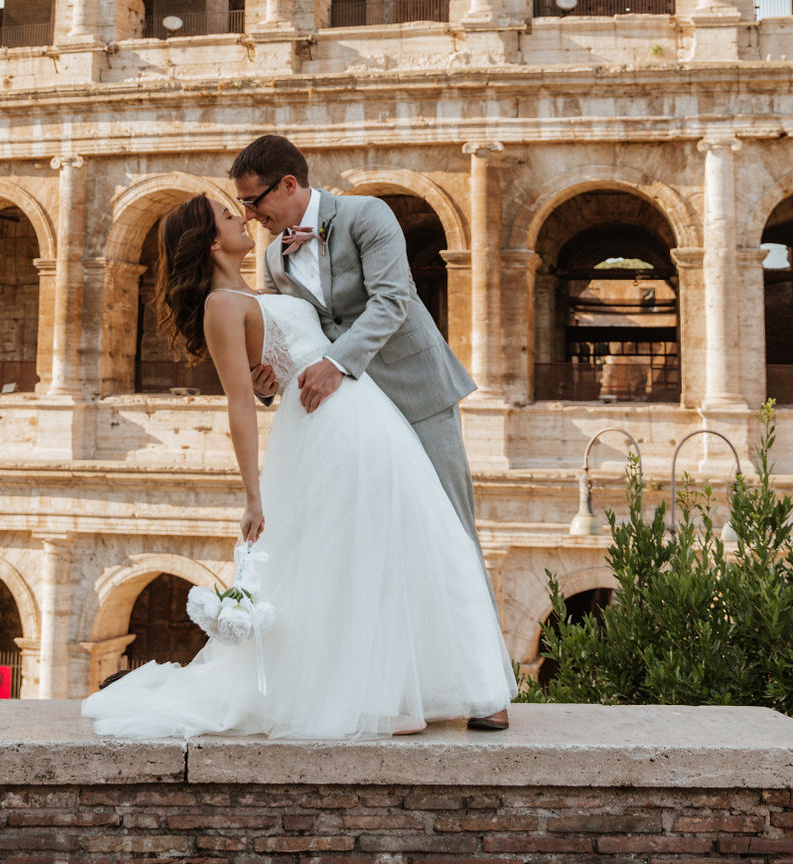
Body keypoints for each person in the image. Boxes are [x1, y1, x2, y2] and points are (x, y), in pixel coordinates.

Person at [81, 192, 516, 742]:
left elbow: (314, 335)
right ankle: (382, 699)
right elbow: (240, 403)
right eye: (228, 214)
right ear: (212, 241)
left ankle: (411, 691)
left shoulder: (261, 280)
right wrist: (253, 495)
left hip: (366, 414)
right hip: (326, 426)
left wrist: (280, 369)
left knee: (412, 542)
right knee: (352, 557)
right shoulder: (222, 304)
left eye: (245, 203)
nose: (242, 216)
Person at [229, 133, 509, 731]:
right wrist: (267, 378)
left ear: (288, 184)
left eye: (256, 201)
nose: (252, 215)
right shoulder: (274, 256)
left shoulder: (365, 214)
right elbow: (295, 332)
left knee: (451, 527)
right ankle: (410, 686)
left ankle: (488, 692)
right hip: (350, 415)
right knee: (378, 544)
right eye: (245, 207)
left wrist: (336, 363)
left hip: (412, 391)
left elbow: (393, 300)